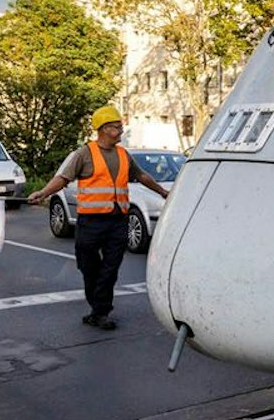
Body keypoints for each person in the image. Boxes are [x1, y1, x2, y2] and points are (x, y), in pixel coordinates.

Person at [27, 105, 170, 330]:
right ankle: (97, 306)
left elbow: (141, 175)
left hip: (118, 221)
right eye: (116, 127)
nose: (121, 130)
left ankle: (101, 311)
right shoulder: (84, 154)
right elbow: (63, 178)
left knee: (110, 269)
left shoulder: (123, 154)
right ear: (103, 129)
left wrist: (162, 192)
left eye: (121, 126)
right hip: (91, 222)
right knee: (89, 266)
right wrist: (44, 192)